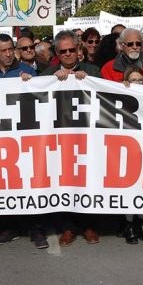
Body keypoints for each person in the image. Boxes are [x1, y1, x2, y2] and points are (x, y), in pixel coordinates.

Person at [0, 34, 47, 248]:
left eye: (10, 49)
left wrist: (32, 83)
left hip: (25, 136)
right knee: (6, 181)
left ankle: (36, 228)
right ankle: (10, 226)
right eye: (3, 50)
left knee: (30, 181)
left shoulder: (27, 71)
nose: (7, 54)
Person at [42, 30, 102, 246]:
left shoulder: (94, 72)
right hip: (60, 138)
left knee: (87, 179)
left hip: (88, 136)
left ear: (79, 50)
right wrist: (52, 81)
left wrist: (90, 83)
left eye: (72, 50)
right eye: (63, 51)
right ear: (57, 53)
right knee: (65, 180)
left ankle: (89, 226)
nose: (68, 54)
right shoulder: (46, 75)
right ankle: (68, 228)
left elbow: (106, 99)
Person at [120, 65, 143, 244]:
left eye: (139, 80)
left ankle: (142, 223)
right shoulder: (120, 96)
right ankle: (129, 225)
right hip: (128, 147)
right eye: (133, 80)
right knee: (129, 188)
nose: (136, 83)